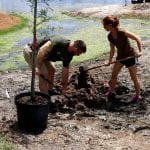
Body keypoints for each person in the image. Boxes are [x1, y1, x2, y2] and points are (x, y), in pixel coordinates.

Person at [102, 16, 143, 101]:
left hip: (130, 56)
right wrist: (109, 61)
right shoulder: (109, 36)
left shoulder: (121, 31)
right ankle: (111, 91)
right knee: (113, 75)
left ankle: (138, 95)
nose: (103, 27)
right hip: (120, 57)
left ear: (110, 25)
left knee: (134, 78)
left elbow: (137, 38)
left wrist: (140, 51)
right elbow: (112, 49)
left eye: (104, 25)